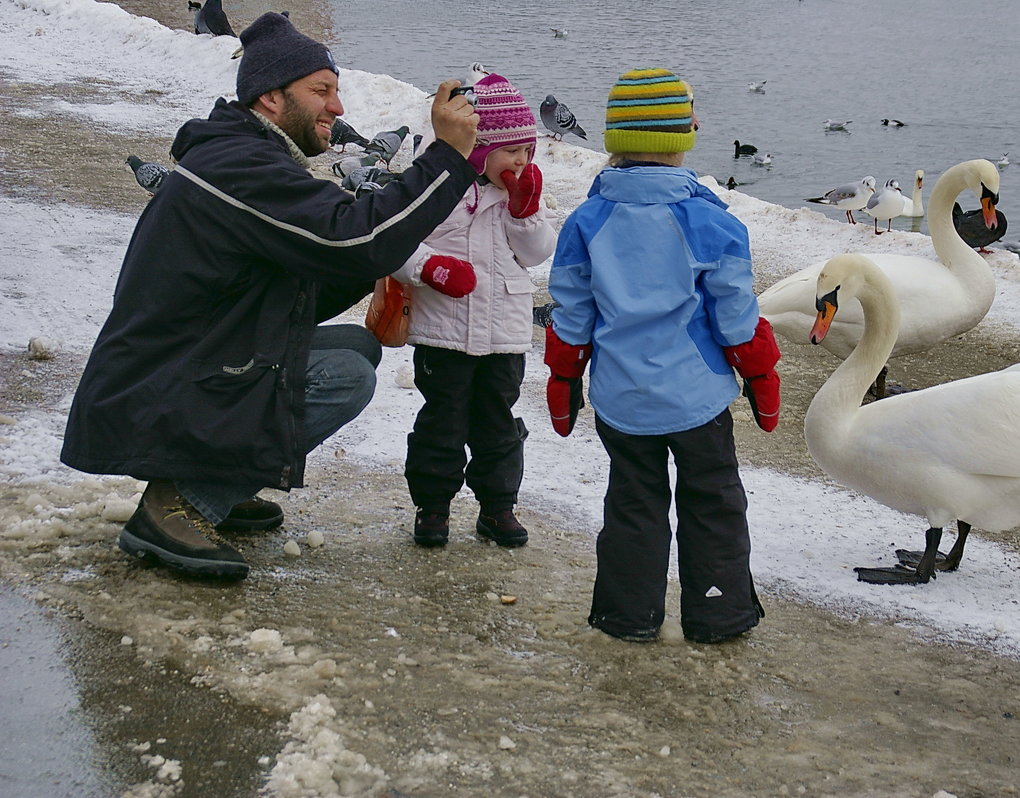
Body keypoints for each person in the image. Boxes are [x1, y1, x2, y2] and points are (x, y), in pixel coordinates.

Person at [59, 12, 481, 581]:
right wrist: (449, 157)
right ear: (271, 99)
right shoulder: (241, 166)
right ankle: (180, 503)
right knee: (346, 378)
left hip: (177, 369)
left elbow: (311, 272)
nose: (337, 107)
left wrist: (378, 265)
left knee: (355, 347)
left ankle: (212, 479)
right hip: (159, 387)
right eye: (321, 90)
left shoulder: (241, 154)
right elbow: (353, 238)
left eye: (337, 90)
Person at [544, 68, 781, 644]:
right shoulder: (710, 221)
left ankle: (628, 615)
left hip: (622, 398)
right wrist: (759, 372)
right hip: (695, 397)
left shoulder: (586, 221)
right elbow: (735, 315)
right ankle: (718, 613)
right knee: (713, 500)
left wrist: (563, 378)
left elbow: (571, 313)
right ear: (680, 136)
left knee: (632, 504)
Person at [392, 73, 556, 549]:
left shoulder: (519, 195)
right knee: (442, 423)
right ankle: (433, 507)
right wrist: (431, 269)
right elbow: (396, 243)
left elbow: (536, 253)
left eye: (528, 152)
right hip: (443, 332)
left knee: (498, 423)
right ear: (480, 150)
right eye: (512, 152)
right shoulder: (437, 188)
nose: (522, 162)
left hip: (504, 334)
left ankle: (498, 506)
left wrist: (525, 215)